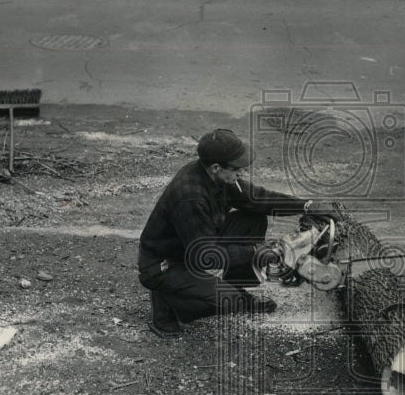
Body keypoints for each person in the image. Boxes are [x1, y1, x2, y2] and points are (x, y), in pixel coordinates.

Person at [138, 128, 337, 336]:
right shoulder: (190, 198)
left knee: (253, 219)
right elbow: (205, 256)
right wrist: (254, 251)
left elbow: (256, 199)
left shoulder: (216, 175)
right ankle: (168, 305)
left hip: (193, 244)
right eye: (236, 168)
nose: (240, 173)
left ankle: (226, 285)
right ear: (216, 167)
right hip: (164, 265)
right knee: (228, 301)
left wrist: (306, 206)